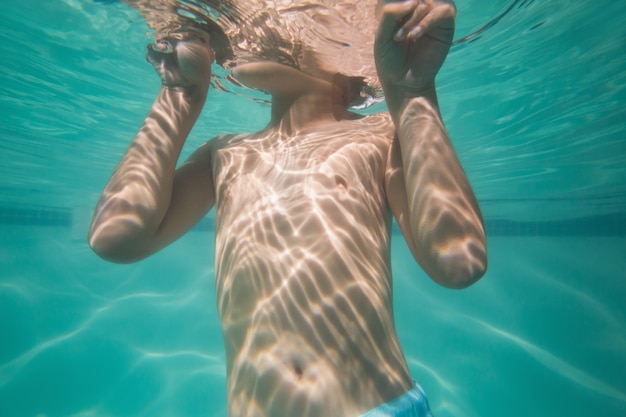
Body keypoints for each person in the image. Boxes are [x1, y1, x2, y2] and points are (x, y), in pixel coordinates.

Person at [88, 0, 487, 416]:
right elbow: (115, 237)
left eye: (275, 15)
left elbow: (458, 258)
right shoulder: (224, 154)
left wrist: (412, 95)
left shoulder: (381, 135)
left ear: (346, 53)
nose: (245, 28)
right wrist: (179, 96)